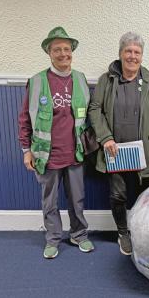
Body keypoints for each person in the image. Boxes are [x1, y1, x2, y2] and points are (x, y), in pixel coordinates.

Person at [88, 32, 149, 256]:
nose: (132, 56)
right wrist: (105, 137)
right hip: (115, 151)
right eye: (128, 51)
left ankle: (142, 231)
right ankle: (123, 233)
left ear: (142, 56)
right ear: (120, 53)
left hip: (145, 152)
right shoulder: (107, 79)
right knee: (118, 195)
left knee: (145, 196)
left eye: (137, 52)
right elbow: (95, 109)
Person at [18, 26, 94, 259]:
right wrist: (26, 150)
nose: (63, 54)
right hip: (46, 154)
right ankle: (52, 239)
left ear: (72, 52)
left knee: (77, 199)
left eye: (67, 49)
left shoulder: (80, 79)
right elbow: (24, 118)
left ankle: (79, 235)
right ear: (49, 53)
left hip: (75, 153)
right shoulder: (37, 81)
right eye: (57, 49)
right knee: (49, 201)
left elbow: (90, 115)